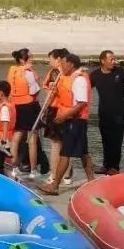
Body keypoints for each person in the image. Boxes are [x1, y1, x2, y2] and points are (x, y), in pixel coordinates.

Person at [39, 53, 96, 195]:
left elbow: (82, 103)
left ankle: (55, 185)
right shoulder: (70, 78)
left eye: (63, 63)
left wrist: (64, 116)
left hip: (75, 120)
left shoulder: (79, 80)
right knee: (83, 152)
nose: (61, 66)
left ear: (71, 64)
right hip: (73, 119)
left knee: (65, 153)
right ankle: (92, 181)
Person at [7, 48, 50, 180]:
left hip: (16, 105)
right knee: (32, 138)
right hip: (29, 106)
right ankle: (33, 170)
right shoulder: (28, 73)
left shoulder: (12, 71)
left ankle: (14, 168)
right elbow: (34, 91)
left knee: (17, 136)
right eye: (30, 57)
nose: (32, 59)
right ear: (22, 60)